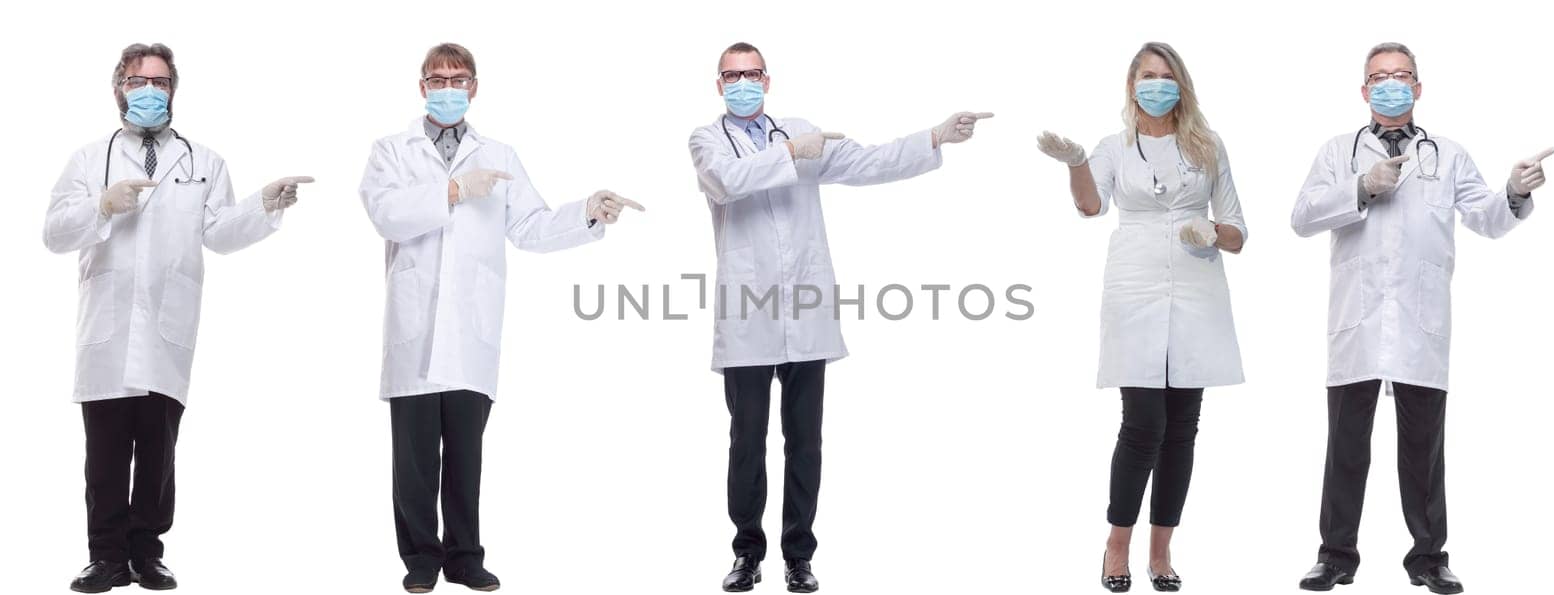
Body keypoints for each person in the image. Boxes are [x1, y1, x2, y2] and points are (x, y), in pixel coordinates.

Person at [688, 41, 991, 593]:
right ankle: (747, 554)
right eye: (732, 75)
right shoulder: (708, 140)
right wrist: (790, 155)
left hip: (805, 308)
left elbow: (868, 162)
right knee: (746, 439)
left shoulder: (801, 130)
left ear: (767, 79)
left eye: (752, 73)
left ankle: (798, 556)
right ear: (718, 84)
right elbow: (726, 182)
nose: (743, 82)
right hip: (747, 313)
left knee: (805, 440)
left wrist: (933, 137)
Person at [359, 42, 643, 594]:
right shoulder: (391, 151)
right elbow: (386, 215)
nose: (448, 88)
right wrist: (452, 190)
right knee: (415, 463)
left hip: (471, 330)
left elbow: (531, 226)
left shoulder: (501, 155)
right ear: (422, 88)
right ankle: (420, 559)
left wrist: (587, 212)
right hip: (414, 330)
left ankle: (464, 557)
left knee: (465, 458)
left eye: (457, 79)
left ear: (474, 87)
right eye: (437, 79)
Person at [44, 42, 312, 593]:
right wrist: (100, 205)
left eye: (160, 83)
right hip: (108, 329)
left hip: (168, 327)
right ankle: (106, 557)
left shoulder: (202, 160)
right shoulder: (89, 160)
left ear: (173, 90)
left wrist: (266, 204)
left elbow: (219, 232)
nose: (150, 92)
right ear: (119, 87)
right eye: (139, 81)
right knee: (106, 453)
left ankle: (148, 554)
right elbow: (53, 233)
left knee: (158, 449)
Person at [1290, 42, 1554, 595]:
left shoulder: (1448, 154)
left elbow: (1486, 216)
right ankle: (1335, 556)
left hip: (1419, 323)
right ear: (1363, 91)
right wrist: (1361, 187)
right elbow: (1302, 217)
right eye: (1379, 76)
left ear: (1418, 86)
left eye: (1401, 75)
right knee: (1346, 446)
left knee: (1424, 449)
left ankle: (1429, 559)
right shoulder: (1340, 151)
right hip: (1357, 323)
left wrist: (1512, 191)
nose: (1391, 83)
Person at [1036, 41, 1246, 594]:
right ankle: (1116, 543)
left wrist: (1211, 233)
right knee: (1143, 423)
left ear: (1183, 85)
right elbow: (1090, 207)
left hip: (1198, 288)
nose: (1158, 84)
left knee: (1182, 429)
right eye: (1148, 76)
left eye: (1167, 76)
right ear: (1132, 85)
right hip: (1134, 288)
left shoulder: (1207, 146)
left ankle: (1162, 549)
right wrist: (1077, 163)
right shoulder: (1113, 147)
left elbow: (1238, 231)